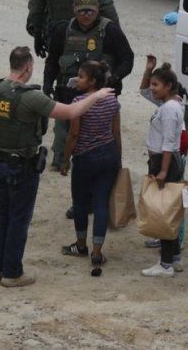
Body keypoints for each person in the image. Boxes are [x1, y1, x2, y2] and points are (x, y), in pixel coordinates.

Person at [0, 46, 114, 287]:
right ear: (28, 68)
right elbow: (70, 112)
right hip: (20, 165)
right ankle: (11, 272)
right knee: (18, 219)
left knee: (3, 213)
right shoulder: (30, 97)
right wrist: (96, 95)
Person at [44, 0, 133, 174]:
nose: (86, 15)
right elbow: (52, 60)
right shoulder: (63, 30)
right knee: (63, 133)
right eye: (81, 11)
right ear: (74, 9)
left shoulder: (110, 31)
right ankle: (62, 161)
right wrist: (47, 83)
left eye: (90, 11)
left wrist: (114, 79)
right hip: (68, 95)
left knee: (100, 138)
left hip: (99, 98)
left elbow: (127, 59)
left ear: (98, 9)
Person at [60, 61, 121, 267]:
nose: (77, 79)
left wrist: (66, 159)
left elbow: (74, 134)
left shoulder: (79, 101)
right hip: (108, 155)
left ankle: (80, 244)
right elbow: (116, 132)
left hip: (85, 157)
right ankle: (97, 251)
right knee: (101, 203)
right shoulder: (112, 100)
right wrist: (118, 159)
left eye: (82, 77)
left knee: (80, 203)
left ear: (93, 81)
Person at [139, 60, 186, 278]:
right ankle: (174, 257)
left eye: (156, 84)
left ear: (168, 86)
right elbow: (143, 91)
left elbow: (168, 142)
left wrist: (163, 170)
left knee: (164, 211)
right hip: (163, 160)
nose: (152, 88)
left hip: (164, 161)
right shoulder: (169, 105)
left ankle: (165, 263)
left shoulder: (169, 109)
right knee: (169, 209)